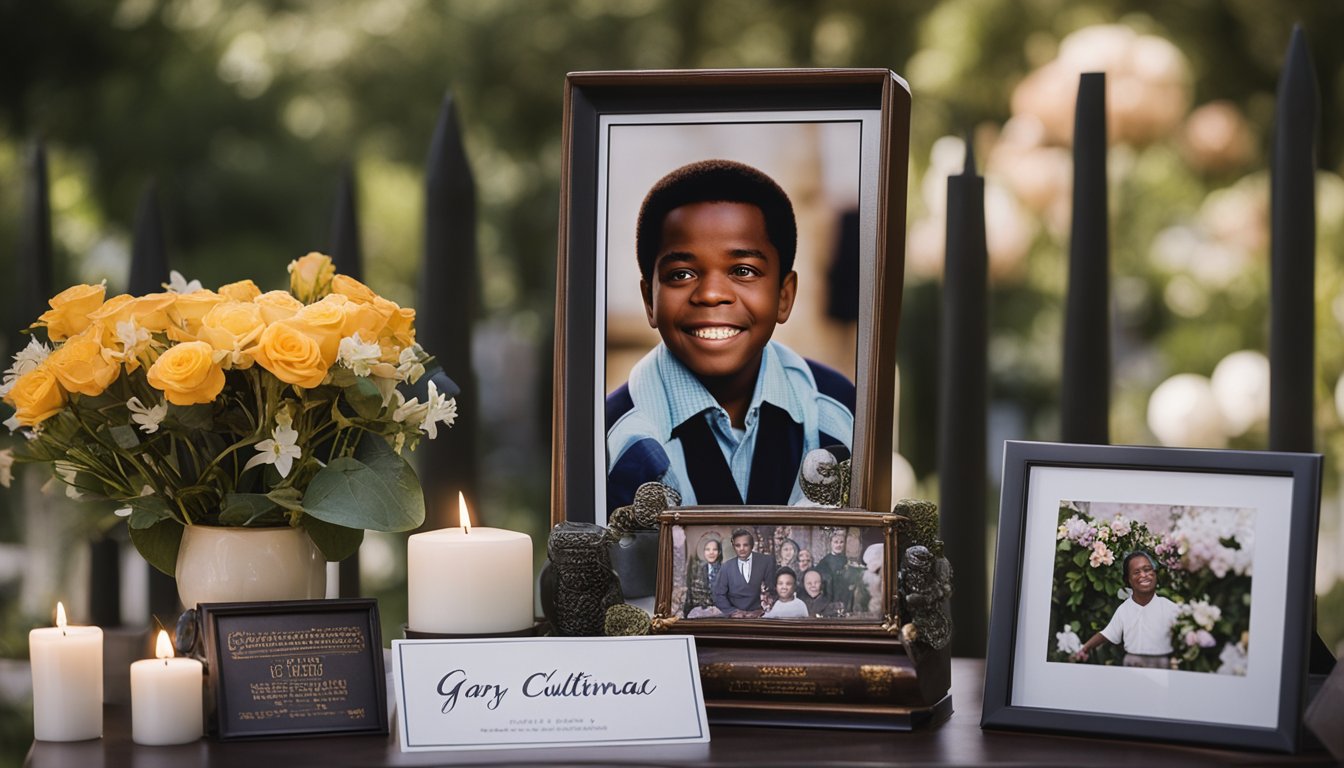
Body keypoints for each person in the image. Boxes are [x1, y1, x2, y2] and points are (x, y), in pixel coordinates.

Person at [605, 159, 856, 513]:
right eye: (681, 274)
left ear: (784, 296)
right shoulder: (615, 439)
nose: (710, 294)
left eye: (743, 270)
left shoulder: (838, 410)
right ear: (650, 300)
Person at [1074, 551, 1181, 668]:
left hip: (1162, 663)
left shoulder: (1169, 607)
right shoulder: (1124, 609)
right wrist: (1084, 649)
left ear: (1155, 574)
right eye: (1136, 572)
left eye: (1147, 570)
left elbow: (1185, 632)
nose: (1144, 575)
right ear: (1128, 580)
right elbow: (1108, 633)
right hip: (1132, 664)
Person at [712, 528, 776, 617]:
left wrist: (764, 611)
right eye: (738, 545)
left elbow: (773, 591)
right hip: (735, 618)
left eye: (745, 545)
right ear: (733, 546)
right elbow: (718, 595)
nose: (741, 549)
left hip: (761, 616)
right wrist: (733, 612)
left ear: (752, 545)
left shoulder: (767, 561)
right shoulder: (726, 567)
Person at [683, 535, 723, 617]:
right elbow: (690, 595)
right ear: (704, 552)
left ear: (719, 552)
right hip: (700, 611)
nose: (711, 552)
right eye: (707, 549)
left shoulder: (725, 570)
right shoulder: (696, 570)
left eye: (714, 549)